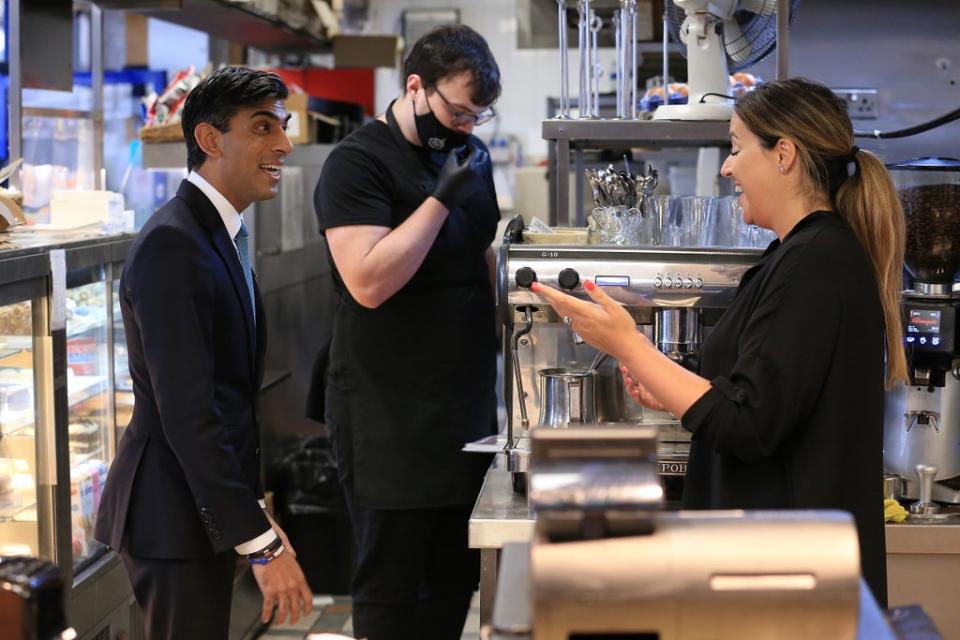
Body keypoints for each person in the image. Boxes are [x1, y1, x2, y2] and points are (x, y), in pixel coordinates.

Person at [530, 77, 905, 606]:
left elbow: (748, 425)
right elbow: (763, 398)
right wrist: (672, 388)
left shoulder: (815, 263)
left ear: (784, 156)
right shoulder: (797, 257)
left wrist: (627, 344)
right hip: (780, 570)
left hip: (788, 584)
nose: (727, 168)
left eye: (735, 147)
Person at [94, 66, 312, 639]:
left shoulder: (218, 233)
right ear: (211, 140)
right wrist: (263, 546)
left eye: (283, 127)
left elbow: (224, 397)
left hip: (202, 512)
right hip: (169, 515)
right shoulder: (173, 243)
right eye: (263, 127)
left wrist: (253, 519)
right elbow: (189, 415)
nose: (284, 145)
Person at [311, 24, 501, 640]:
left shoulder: (470, 152)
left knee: (454, 575)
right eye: (459, 111)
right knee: (393, 583)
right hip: (387, 409)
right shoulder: (357, 163)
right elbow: (367, 280)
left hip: (461, 402)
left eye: (480, 116)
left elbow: (479, 256)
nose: (468, 127)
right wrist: (440, 199)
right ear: (416, 87)